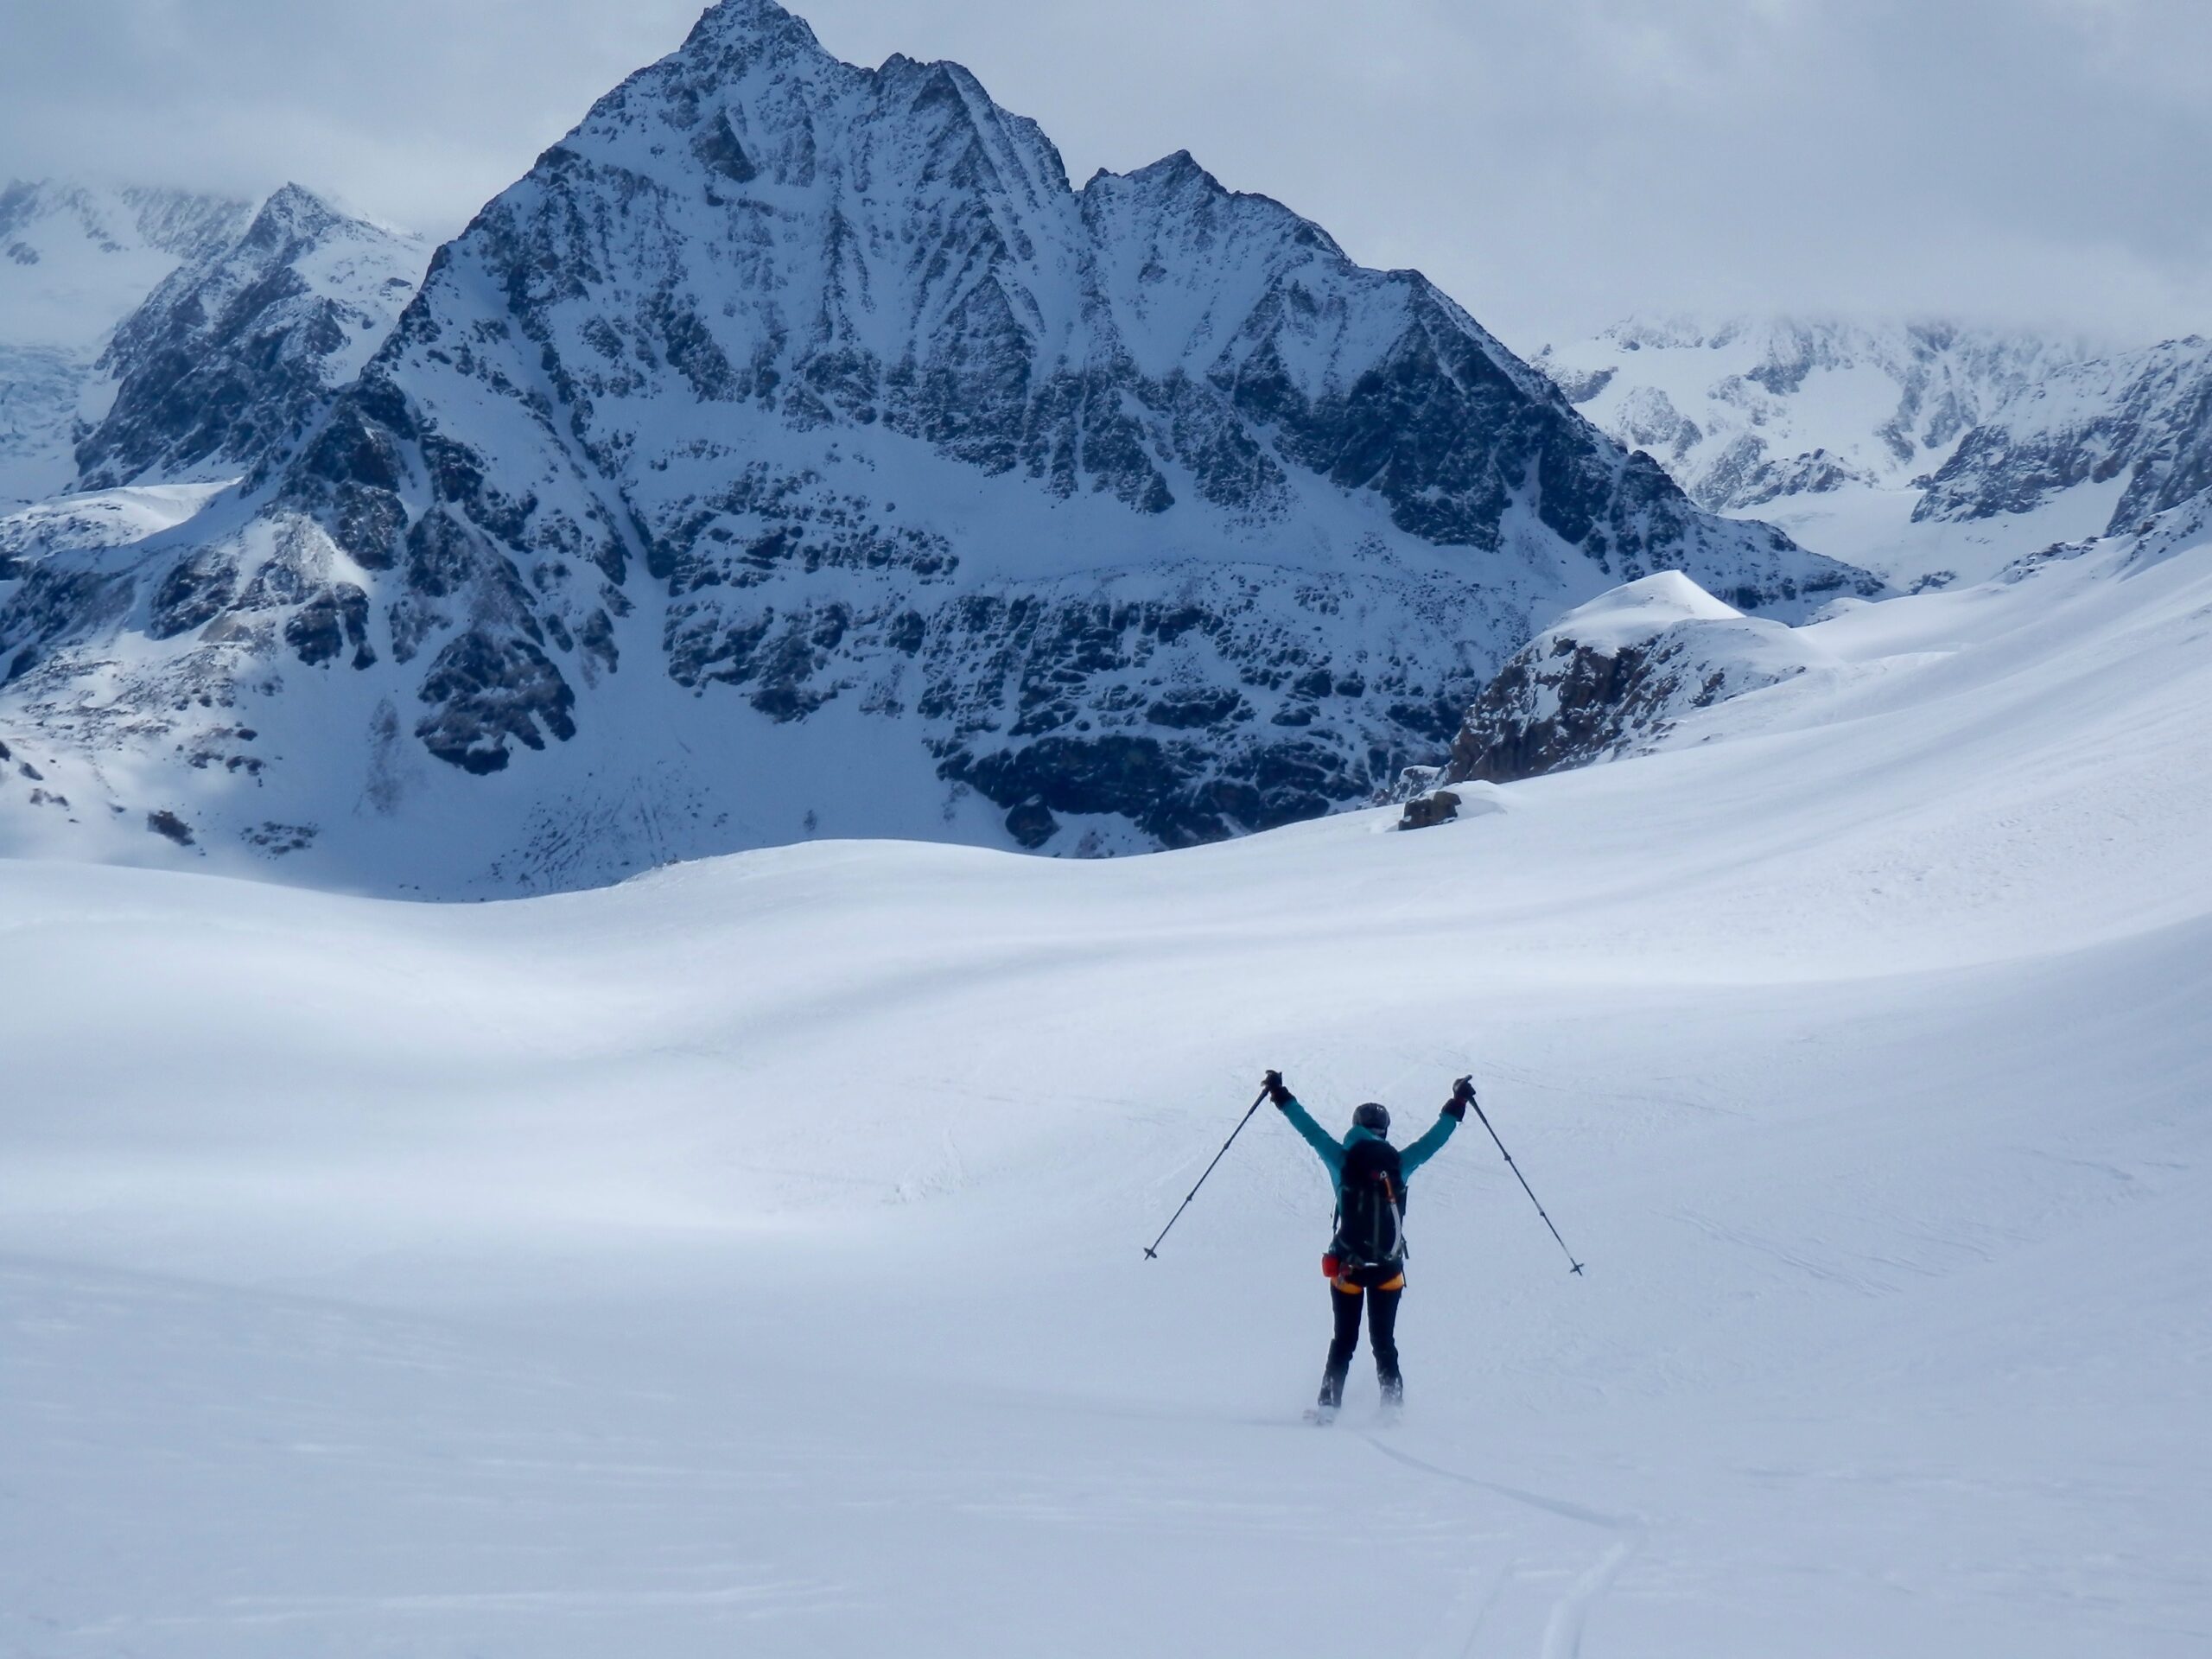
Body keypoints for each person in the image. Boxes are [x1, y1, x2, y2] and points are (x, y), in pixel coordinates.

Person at [1264, 1069, 1475, 1420]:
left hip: (1348, 1267)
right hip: (1388, 1270)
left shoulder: (1342, 1160)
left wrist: (1280, 1095)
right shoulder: (1398, 1165)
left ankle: (1329, 1408)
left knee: (1343, 1342)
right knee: (1384, 1344)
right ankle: (1392, 1409)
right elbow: (1433, 1141)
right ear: (1385, 1131)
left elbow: (1310, 1131)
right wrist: (1457, 1103)